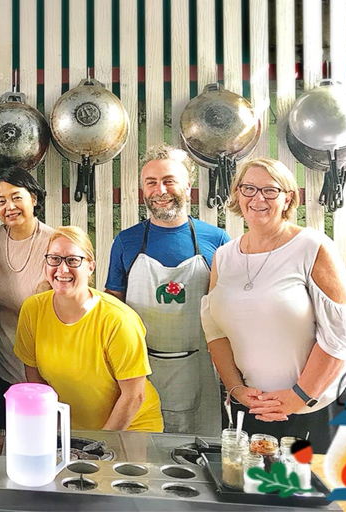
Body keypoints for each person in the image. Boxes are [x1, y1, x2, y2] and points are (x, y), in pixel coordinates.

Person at [200, 157, 346, 453]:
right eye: (249, 188)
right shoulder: (223, 257)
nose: (258, 198)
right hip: (259, 410)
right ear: (238, 194)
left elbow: (342, 331)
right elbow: (215, 331)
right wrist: (237, 389)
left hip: (325, 406)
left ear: (288, 197)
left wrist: (299, 395)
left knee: (328, 497)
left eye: (270, 190)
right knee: (260, 493)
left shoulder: (312, 247)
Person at [105, 143, 229, 435]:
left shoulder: (216, 239)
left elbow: (230, 311)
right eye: (151, 183)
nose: (159, 190)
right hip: (138, 371)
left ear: (188, 186)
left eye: (169, 181)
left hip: (198, 368)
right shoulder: (127, 242)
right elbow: (112, 309)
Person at [15, 226, 163, 432]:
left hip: (131, 427)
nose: (62, 269)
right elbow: (35, 378)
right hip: (75, 431)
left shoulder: (118, 320)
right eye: (54, 259)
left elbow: (134, 396)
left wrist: (98, 447)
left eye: (73, 260)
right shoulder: (33, 309)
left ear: (91, 267)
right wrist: (56, 431)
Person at [0, 167, 54, 432]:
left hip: (46, 362)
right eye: (1, 201)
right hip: (2, 359)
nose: (9, 206)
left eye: (16, 197)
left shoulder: (56, 242)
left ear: (33, 198)